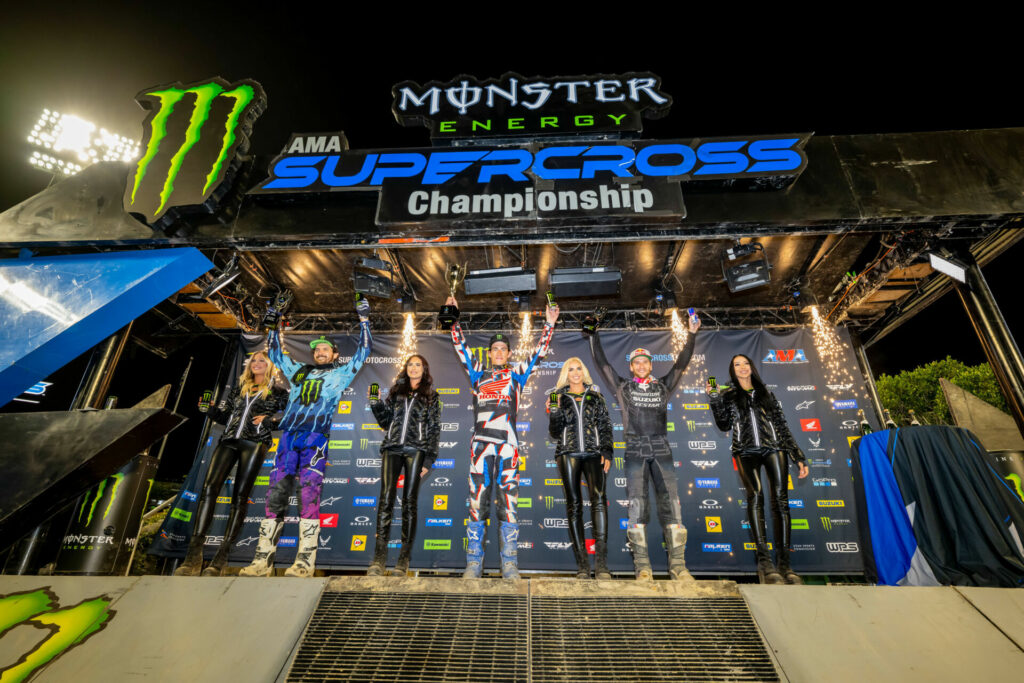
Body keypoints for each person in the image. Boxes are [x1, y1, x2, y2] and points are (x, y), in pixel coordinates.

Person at [240, 295, 372, 578]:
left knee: (309, 497)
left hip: (315, 441)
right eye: (317, 348)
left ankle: (304, 563)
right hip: (288, 439)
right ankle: (262, 561)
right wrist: (273, 323)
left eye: (326, 348)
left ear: (335, 354)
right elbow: (275, 353)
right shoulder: (298, 371)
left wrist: (364, 321)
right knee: (275, 496)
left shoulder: (340, 375)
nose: (320, 351)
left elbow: (363, 352)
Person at [447, 295, 559, 579]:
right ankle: (474, 563)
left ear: (509, 354)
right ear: (489, 353)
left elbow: (539, 355)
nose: (498, 352)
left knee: (508, 503)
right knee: (477, 502)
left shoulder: (517, 374)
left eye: (503, 349)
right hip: (480, 447)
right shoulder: (477, 373)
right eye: (494, 348)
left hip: (508, 446)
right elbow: (460, 348)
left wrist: (549, 325)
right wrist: (454, 319)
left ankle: (509, 564)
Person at [586, 313, 700, 581]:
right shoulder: (622, 387)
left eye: (645, 361)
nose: (640, 365)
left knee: (672, 505)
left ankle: (679, 566)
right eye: (636, 362)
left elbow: (681, 365)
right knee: (637, 507)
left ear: (650, 365)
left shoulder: (663, 386)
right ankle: (643, 567)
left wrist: (692, 335)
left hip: (661, 448)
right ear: (631, 367)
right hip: (635, 449)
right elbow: (602, 363)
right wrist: (593, 335)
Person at [175, 351, 287, 576]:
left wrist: (270, 420)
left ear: (270, 367)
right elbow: (225, 417)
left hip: (254, 444)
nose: (257, 363)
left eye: (262, 361)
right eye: (254, 360)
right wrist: (210, 411)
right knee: (209, 489)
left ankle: (221, 557)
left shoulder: (278, 392)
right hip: (228, 441)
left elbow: (292, 417)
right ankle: (193, 555)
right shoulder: (239, 389)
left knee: (239, 497)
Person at [708, 354, 809, 584]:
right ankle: (765, 564)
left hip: (774, 448)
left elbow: (782, 425)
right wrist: (714, 399)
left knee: (781, 502)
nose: (742, 368)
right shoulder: (729, 395)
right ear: (732, 371)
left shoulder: (766, 393)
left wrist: (797, 455)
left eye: (745, 363)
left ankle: (785, 566)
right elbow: (723, 424)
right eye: (737, 365)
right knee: (755, 498)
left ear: (751, 368)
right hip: (745, 450)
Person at [367, 354, 441, 576]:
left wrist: (429, 459)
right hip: (392, 448)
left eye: (418, 364)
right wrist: (376, 404)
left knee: (409, 503)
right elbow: (385, 421)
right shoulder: (395, 391)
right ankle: (378, 559)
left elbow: (434, 428)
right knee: (386, 499)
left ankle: (403, 560)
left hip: (416, 450)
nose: (414, 368)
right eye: (410, 364)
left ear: (424, 369)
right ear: (406, 368)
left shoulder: (431, 395)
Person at [546, 357, 613, 579]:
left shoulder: (596, 396)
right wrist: (554, 413)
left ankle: (601, 564)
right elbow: (555, 432)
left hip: (594, 453)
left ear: (584, 372)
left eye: (578, 369)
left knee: (599, 500)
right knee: (574, 506)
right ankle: (583, 565)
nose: (575, 373)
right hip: (568, 454)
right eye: (571, 369)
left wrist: (607, 451)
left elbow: (605, 425)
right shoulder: (558, 397)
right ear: (566, 373)